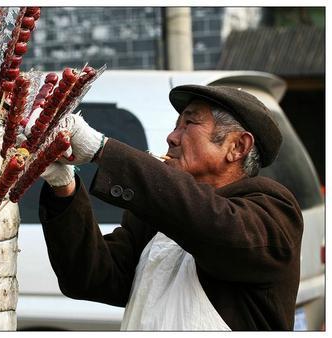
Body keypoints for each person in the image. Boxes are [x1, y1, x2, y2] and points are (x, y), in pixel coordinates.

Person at [37, 85, 303, 330]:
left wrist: (101, 149)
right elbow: (90, 278)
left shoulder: (273, 208)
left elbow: (214, 225)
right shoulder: (157, 218)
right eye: (176, 125)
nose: (172, 137)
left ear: (236, 146)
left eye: (189, 123)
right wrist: (63, 185)